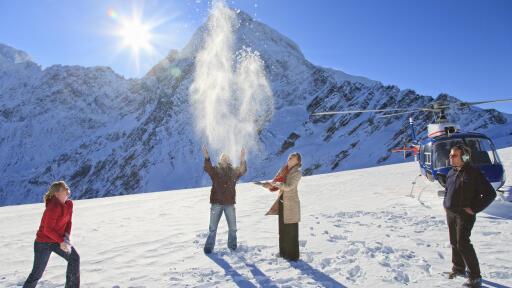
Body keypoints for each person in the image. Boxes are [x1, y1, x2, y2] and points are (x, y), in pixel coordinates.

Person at [444, 145, 496, 288]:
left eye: (454, 155)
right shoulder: (451, 172)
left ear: (464, 157)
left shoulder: (473, 173)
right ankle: (458, 268)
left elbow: (490, 194)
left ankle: (475, 277)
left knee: (463, 243)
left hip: (464, 215)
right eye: (450, 155)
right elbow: (448, 189)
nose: (450, 158)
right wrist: (446, 204)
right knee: (454, 242)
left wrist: (474, 208)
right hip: (451, 213)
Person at [24, 181, 80, 288]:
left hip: (57, 240)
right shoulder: (53, 207)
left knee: (74, 258)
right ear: (57, 193)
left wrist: (66, 238)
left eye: (67, 189)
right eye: (65, 190)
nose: (68, 191)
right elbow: (47, 230)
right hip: (43, 243)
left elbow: (69, 222)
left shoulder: (69, 205)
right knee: (37, 274)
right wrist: (61, 241)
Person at [202, 145, 247, 254]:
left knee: (233, 228)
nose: (224, 159)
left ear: (229, 160)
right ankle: (209, 247)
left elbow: (242, 171)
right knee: (212, 228)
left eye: (226, 158)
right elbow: (208, 168)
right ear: (220, 160)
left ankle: (232, 246)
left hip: (229, 204)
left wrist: (242, 159)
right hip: (216, 203)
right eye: (223, 158)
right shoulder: (215, 171)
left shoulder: (233, 171)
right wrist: (207, 158)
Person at [262, 152, 302, 261]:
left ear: (297, 161)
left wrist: (275, 184)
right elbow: (275, 184)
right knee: (282, 230)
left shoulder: (297, 173)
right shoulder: (283, 170)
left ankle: (293, 256)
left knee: (291, 230)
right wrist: (268, 185)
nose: (290, 158)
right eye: (289, 156)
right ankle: (283, 253)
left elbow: (289, 187)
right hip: (281, 202)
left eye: (293, 157)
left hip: (291, 204)